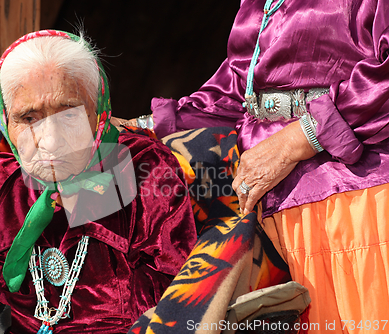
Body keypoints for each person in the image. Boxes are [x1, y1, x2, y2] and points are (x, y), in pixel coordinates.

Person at [0, 30, 197, 334]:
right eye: (29, 118)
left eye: (69, 115)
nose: (51, 140)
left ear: (99, 114)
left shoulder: (143, 171)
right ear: (5, 121)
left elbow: (178, 295)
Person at [144, 0, 389, 332]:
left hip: (354, 211)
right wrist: (139, 131)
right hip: (267, 222)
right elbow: (236, 94)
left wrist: (296, 141)